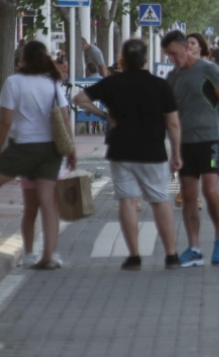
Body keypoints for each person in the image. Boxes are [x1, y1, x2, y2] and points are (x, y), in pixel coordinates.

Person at [73, 39, 181, 270]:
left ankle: (134, 256)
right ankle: (171, 255)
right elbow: (173, 124)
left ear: (122, 58)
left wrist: (103, 114)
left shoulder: (113, 83)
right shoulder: (160, 85)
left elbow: (79, 99)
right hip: (153, 150)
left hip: (121, 150)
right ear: (145, 59)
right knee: (160, 201)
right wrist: (177, 153)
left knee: (127, 201)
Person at [161, 31, 219, 267]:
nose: (172, 58)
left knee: (210, 190)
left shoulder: (208, 70)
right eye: (168, 55)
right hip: (185, 143)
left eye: (173, 53)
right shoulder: (172, 78)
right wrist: (174, 150)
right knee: (188, 194)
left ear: (185, 48)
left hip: (210, 139)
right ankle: (194, 248)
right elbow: (169, 115)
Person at [0, 41, 75, 270]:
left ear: (23, 60)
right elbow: (64, 119)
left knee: (31, 207)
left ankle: (31, 254)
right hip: (49, 151)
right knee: (47, 204)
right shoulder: (52, 83)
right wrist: (71, 150)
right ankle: (48, 256)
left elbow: (5, 122)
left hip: (22, 147)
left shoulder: (13, 83)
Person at [175, 32, 208, 210]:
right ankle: (184, 191)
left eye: (193, 43)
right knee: (182, 157)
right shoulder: (179, 69)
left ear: (200, 47)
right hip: (181, 120)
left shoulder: (207, 68)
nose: (189, 46)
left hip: (203, 121)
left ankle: (195, 196)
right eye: (186, 43)